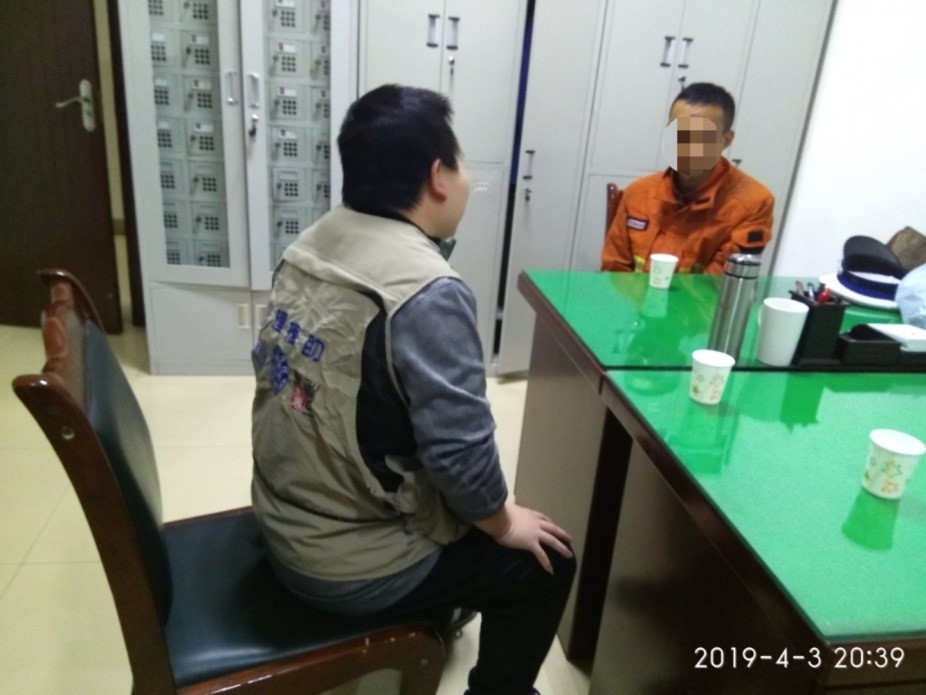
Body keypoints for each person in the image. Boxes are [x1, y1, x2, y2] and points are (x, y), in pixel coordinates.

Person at [250, 84, 576, 695]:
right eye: (461, 161)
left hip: (279, 519)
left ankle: (440, 605)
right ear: (437, 177)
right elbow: (462, 461)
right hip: (341, 565)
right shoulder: (426, 291)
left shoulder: (308, 244)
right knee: (546, 562)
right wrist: (503, 522)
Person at [601, 82, 774, 274]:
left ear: (726, 140)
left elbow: (717, 284)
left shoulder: (754, 203)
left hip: (701, 295)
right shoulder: (638, 193)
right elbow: (613, 268)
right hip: (632, 294)